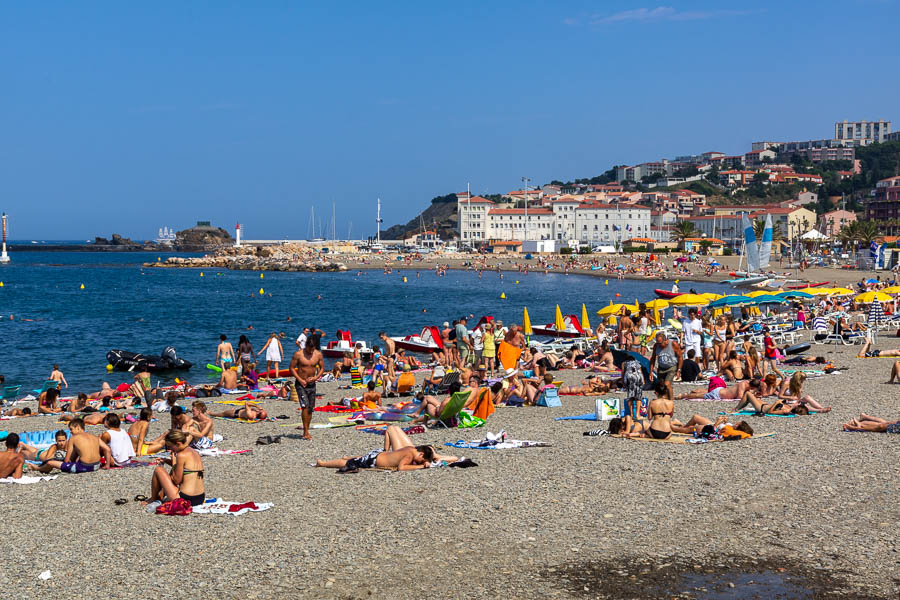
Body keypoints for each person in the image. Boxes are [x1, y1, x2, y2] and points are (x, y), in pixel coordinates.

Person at [314, 425, 457, 472]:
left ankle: (346, 457)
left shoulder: (410, 449)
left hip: (378, 455)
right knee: (348, 464)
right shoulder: (409, 456)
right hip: (375, 460)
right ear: (421, 454)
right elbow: (401, 468)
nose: (421, 462)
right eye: (422, 460)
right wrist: (420, 468)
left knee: (358, 459)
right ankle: (324, 464)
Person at [146, 430, 206, 506]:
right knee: (173, 470)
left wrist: (174, 461)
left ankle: (154, 498)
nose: (170, 449)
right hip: (200, 498)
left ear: (178, 443)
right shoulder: (194, 452)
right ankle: (160, 496)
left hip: (185, 499)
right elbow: (185, 468)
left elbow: (177, 480)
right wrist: (165, 460)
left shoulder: (181, 455)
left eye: (170, 446)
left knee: (159, 470)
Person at [44, 418, 113, 473]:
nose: (70, 432)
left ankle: (36, 468)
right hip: (97, 466)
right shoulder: (94, 437)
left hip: (84, 467)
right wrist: (107, 465)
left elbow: (67, 460)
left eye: (71, 429)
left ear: (78, 427)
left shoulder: (73, 438)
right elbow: (107, 449)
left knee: (50, 463)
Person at [289, 336, 325, 440]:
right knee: (305, 406)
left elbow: (322, 368)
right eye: (309, 349)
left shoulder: (318, 354)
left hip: (312, 384)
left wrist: (316, 378)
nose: (311, 351)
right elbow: (291, 368)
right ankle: (305, 431)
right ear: (306, 346)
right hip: (301, 384)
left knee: (310, 408)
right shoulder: (298, 354)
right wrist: (300, 379)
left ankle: (307, 428)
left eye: (313, 349)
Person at [649, 332, 682, 401]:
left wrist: (679, 370)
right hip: (661, 368)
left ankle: (671, 401)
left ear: (666, 341)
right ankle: (664, 400)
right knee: (661, 386)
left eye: (660, 343)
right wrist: (650, 372)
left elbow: (680, 357)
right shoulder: (656, 346)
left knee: (667, 384)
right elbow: (653, 358)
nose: (659, 345)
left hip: (671, 367)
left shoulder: (673, 344)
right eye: (658, 343)